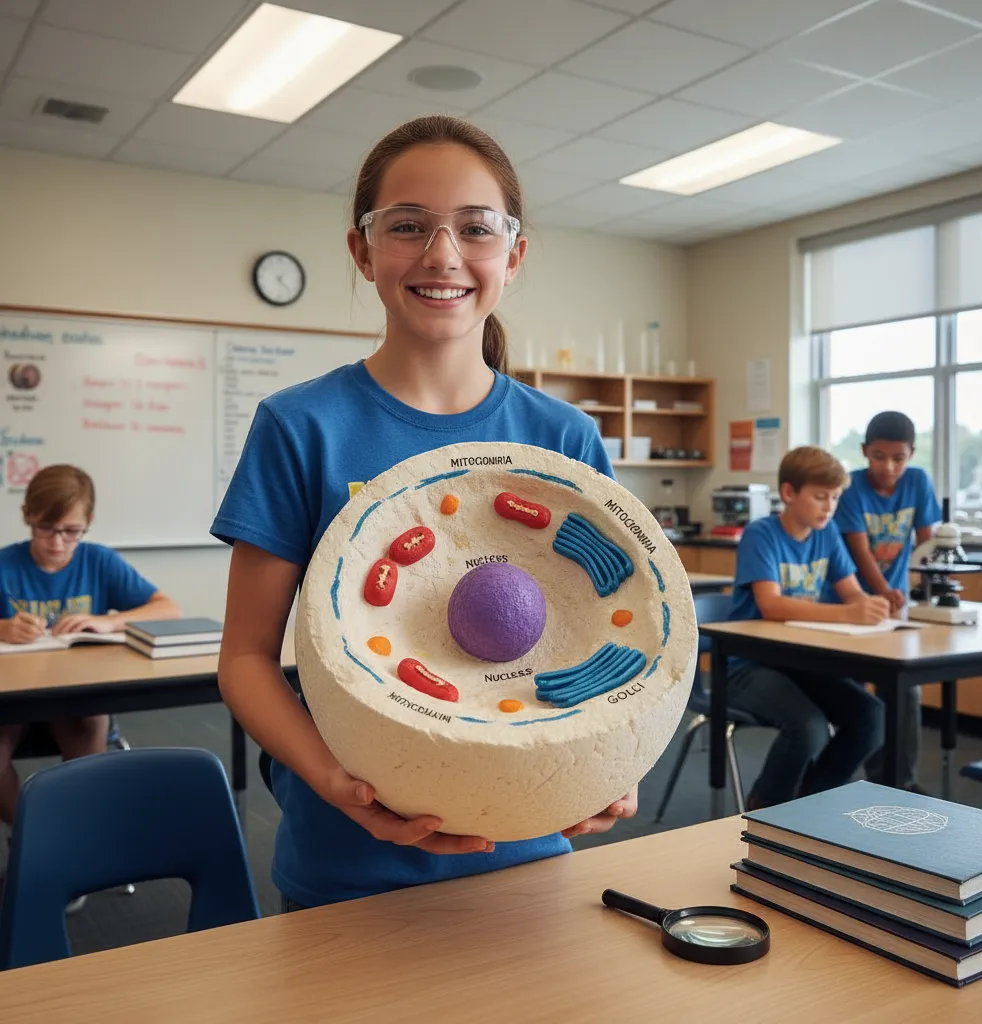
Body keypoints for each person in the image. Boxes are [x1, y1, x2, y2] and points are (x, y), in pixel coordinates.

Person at [213, 115, 635, 913]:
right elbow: (245, 660)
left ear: (512, 254)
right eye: (407, 226)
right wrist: (337, 784)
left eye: (475, 229)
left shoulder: (564, 439)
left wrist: (611, 766)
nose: (442, 255)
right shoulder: (301, 427)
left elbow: (614, 629)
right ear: (362, 250)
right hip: (352, 863)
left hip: (531, 850)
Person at [0, 464, 180, 827]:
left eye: (71, 532)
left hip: (75, 695)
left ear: (89, 522)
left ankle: (69, 836)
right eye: (45, 529)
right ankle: (34, 837)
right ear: (27, 516)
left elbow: (168, 609)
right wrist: (2, 627)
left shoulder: (98, 560)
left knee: (88, 728)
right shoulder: (6, 565)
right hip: (13, 700)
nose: (57, 543)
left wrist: (108, 620)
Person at [726, 446, 887, 810]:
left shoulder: (827, 534)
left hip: (800, 664)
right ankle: (765, 805)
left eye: (834, 498)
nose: (828, 507)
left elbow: (853, 594)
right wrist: (850, 614)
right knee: (809, 727)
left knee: (872, 716)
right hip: (747, 666)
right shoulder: (761, 533)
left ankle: (808, 803)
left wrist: (869, 606)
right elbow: (771, 606)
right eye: (819, 497)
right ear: (788, 493)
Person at [833, 411, 941, 792]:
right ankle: (868, 780)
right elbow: (859, 551)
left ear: (911, 454)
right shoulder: (851, 489)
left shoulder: (918, 482)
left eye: (899, 458)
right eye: (879, 456)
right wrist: (883, 590)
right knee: (861, 693)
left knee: (907, 690)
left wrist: (923, 584)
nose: (889, 466)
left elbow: (928, 544)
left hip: (894, 610)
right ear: (865, 452)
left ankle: (901, 781)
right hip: (852, 606)